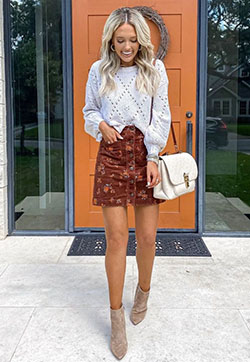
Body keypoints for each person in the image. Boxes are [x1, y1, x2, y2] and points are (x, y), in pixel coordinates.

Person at [82, 7, 171, 360]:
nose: (127, 46)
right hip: (112, 155)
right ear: (110, 40)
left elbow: (160, 114)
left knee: (147, 237)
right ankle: (116, 316)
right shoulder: (98, 71)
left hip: (143, 155)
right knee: (117, 239)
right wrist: (99, 125)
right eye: (121, 40)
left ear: (142, 41)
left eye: (133, 40)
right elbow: (89, 110)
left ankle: (144, 291)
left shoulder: (156, 70)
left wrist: (152, 156)